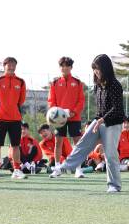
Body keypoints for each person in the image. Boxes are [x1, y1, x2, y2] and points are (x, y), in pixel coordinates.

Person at [51, 54, 125, 193]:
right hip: (100, 121)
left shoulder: (115, 85)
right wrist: (96, 121)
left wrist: (103, 119)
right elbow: (100, 109)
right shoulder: (97, 86)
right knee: (83, 141)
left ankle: (114, 185)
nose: (96, 71)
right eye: (94, 69)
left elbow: (118, 109)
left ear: (105, 68)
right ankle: (67, 166)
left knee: (110, 155)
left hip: (112, 123)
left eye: (98, 68)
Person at [48, 57, 85, 178]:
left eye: (67, 66)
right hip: (59, 119)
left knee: (77, 143)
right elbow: (51, 101)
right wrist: (58, 112)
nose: (64, 68)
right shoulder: (54, 83)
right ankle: (57, 168)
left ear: (71, 67)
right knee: (58, 142)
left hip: (74, 117)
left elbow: (81, 100)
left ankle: (78, 169)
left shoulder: (78, 82)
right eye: (62, 66)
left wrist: (74, 112)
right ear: (60, 67)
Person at [0, 57, 27, 179]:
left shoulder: (21, 82)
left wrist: (13, 110)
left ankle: (16, 170)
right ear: (4, 66)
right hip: (0, 119)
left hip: (15, 119)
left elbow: (21, 101)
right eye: (8, 65)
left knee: (16, 146)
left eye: (13, 65)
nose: (11, 67)